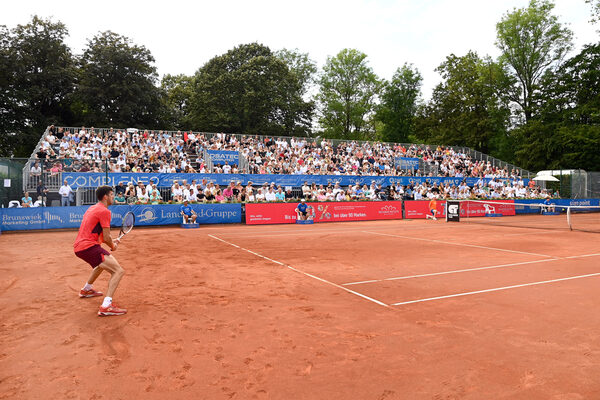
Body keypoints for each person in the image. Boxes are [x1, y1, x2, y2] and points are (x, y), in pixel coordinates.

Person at [74, 186, 127, 316]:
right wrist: (113, 246)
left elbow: (101, 236)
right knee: (118, 271)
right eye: (112, 195)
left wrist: (111, 241)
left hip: (80, 247)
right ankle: (106, 306)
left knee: (101, 264)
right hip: (88, 247)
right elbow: (107, 237)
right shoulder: (105, 211)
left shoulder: (92, 208)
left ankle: (86, 289)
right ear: (105, 197)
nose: (113, 197)